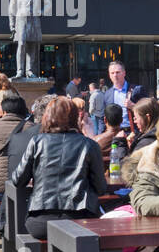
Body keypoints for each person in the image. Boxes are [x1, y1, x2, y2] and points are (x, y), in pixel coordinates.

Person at [10, 97, 107, 240]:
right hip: (80, 218)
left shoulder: (37, 142)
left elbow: (18, 180)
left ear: (47, 117)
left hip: (41, 220)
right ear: (75, 117)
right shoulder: (89, 145)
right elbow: (101, 188)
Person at [92, 60, 145, 131]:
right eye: (112, 73)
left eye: (117, 72)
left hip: (133, 133)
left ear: (124, 73)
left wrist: (133, 106)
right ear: (109, 75)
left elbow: (148, 111)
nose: (115, 75)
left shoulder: (137, 90)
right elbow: (103, 117)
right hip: (114, 134)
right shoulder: (107, 94)